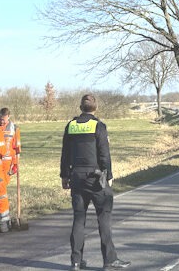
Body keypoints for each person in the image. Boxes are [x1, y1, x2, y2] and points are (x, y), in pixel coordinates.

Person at [60, 94, 131, 271]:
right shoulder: (98, 126)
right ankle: (109, 260)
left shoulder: (71, 126)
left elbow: (65, 153)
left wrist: (64, 176)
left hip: (76, 176)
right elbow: (104, 154)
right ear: (96, 108)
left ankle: (76, 262)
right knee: (104, 218)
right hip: (96, 178)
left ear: (80, 107)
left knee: (79, 219)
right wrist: (109, 175)